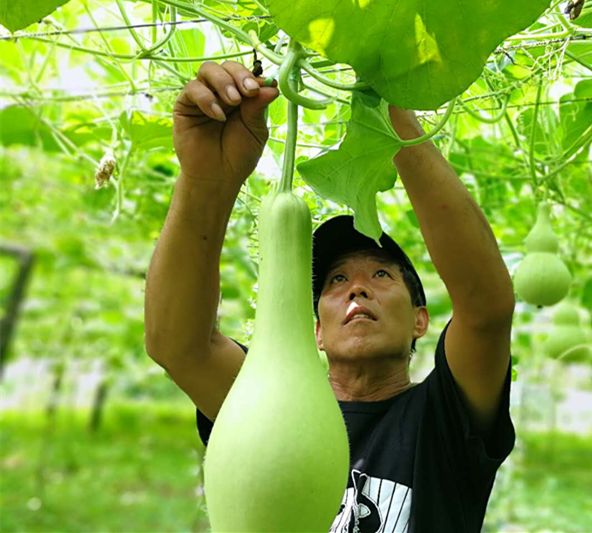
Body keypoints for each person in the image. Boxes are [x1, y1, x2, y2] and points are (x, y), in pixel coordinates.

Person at [144, 60, 516, 533]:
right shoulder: (265, 399)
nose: (357, 287)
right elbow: (177, 345)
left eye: (382, 274)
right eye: (336, 281)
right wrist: (205, 181)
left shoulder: (442, 419)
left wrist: (387, 108)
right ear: (316, 329)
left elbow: (486, 310)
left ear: (421, 321)